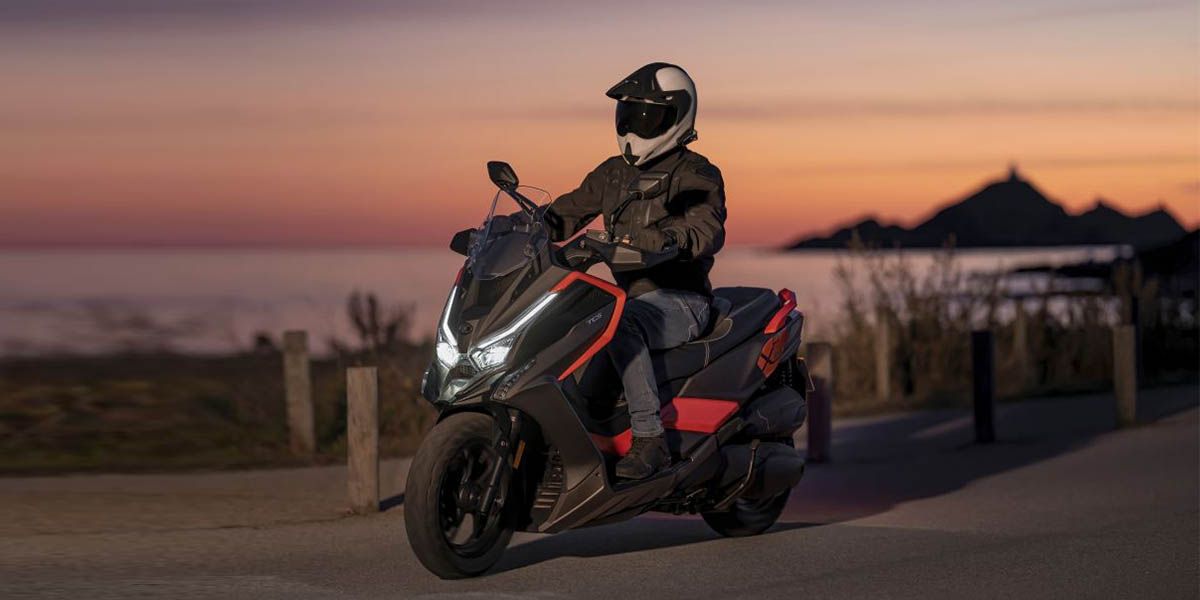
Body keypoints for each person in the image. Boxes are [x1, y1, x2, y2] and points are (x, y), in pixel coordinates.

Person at [543, 62, 727, 479]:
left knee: (619, 322)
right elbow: (563, 214)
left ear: (677, 116)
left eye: (646, 116)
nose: (633, 126)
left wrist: (668, 239)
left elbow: (705, 228)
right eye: (629, 114)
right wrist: (513, 229)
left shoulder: (696, 174)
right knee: (572, 336)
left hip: (682, 301)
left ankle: (650, 440)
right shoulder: (613, 173)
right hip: (628, 301)